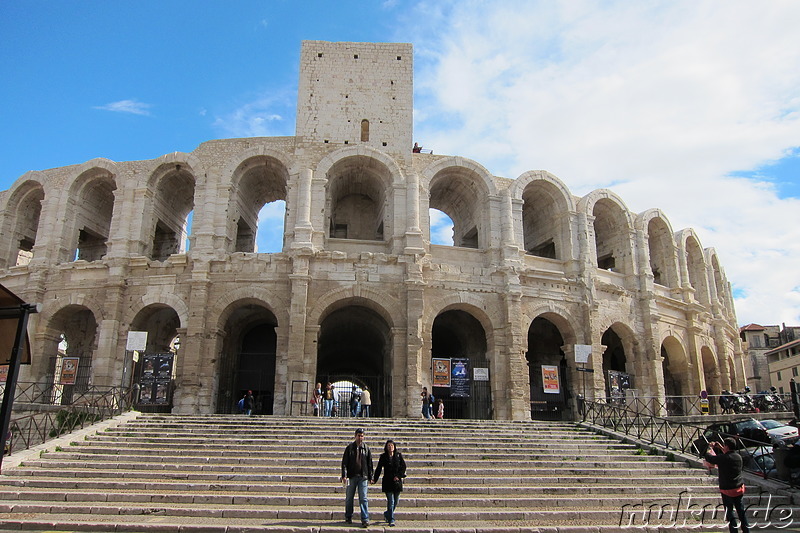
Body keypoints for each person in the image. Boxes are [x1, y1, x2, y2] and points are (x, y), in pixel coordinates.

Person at [705, 437, 750, 533]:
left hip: (727, 489)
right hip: (738, 488)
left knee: (730, 513)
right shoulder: (738, 457)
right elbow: (729, 454)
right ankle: (746, 530)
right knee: (741, 512)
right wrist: (721, 447)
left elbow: (710, 458)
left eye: (724, 445)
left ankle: (734, 531)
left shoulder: (723, 458)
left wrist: (710, 448)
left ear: (727, 446)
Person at [341, 428, 373, 527]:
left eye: (362, 436)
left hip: (363, 476)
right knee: (349, 498)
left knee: (363, 498)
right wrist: (344, 475)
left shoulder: (366, 448)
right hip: (351, 476)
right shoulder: (349, 448)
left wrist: (371, 476)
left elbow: (370, 464)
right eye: (359, 436)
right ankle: (348, 516)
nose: (360, 438)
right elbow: (344, 463)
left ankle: (365, 519)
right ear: (355, 436)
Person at [372, 439, 406, 527]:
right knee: (391, 501)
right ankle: (391, 519)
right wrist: (374, 479)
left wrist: (399, 476)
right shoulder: (383, 457)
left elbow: (403, 467)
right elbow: (379, 469)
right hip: (387, 481)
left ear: (394, 447)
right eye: (388, 445)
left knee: (396, 501)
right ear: (386, 447)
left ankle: (387, 514)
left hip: (397, 482)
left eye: (391, 445)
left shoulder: (398, 456)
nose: (390, 447)